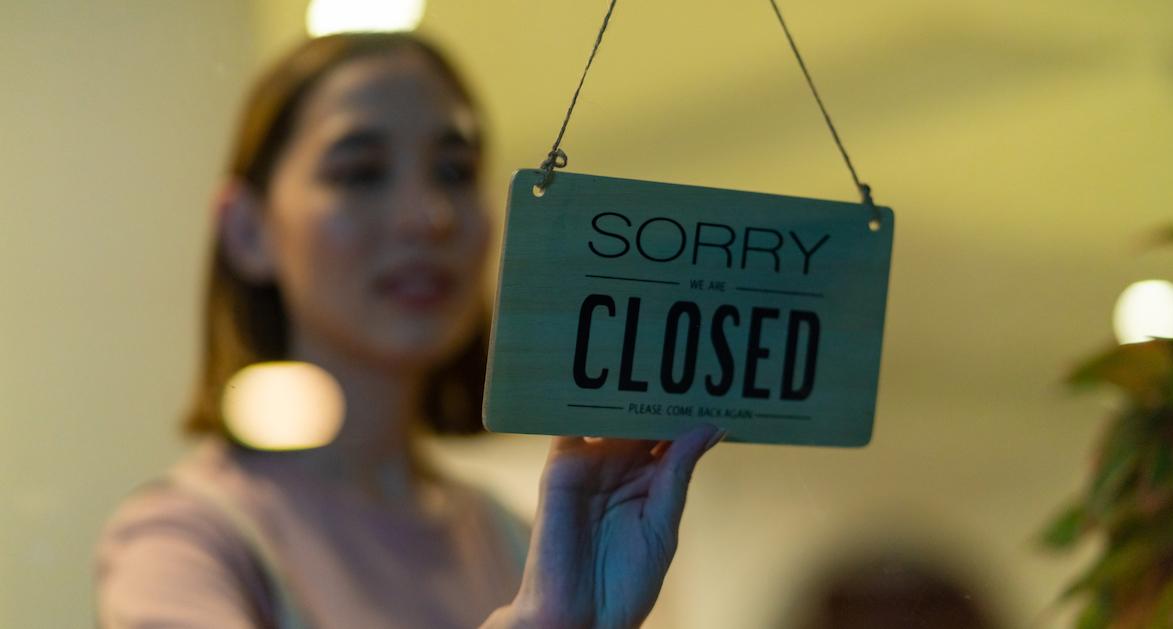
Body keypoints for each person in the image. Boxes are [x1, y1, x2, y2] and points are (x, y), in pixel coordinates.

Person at [94, 32, 724, 629]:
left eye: (455, 171)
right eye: (360, 172)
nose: (429, 217)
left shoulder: (516, 536)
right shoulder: (187, 539)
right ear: (247, 230)